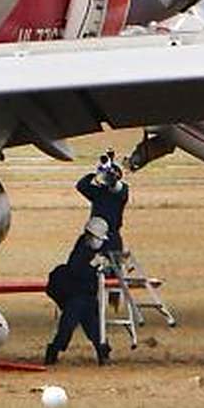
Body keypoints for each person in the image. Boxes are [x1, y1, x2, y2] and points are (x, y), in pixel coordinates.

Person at [43, 218, 111, 366]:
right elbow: (76, 271)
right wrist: (92, 264)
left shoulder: (100, 249)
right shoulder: (80, 251)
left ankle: (103, 353)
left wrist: (105, 265)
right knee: (66, 328)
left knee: (95, 328)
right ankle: (53, 352)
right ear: (90, 235)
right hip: (76, 298)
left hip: (89, 297)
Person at [76, 153, 131, 258]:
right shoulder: (99, 192)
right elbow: (81, 186)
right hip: (94, 233)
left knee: (113, 265)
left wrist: (111, 176)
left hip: (111, 237)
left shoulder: (122, 191)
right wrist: (96, 174)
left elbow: (118, 188)